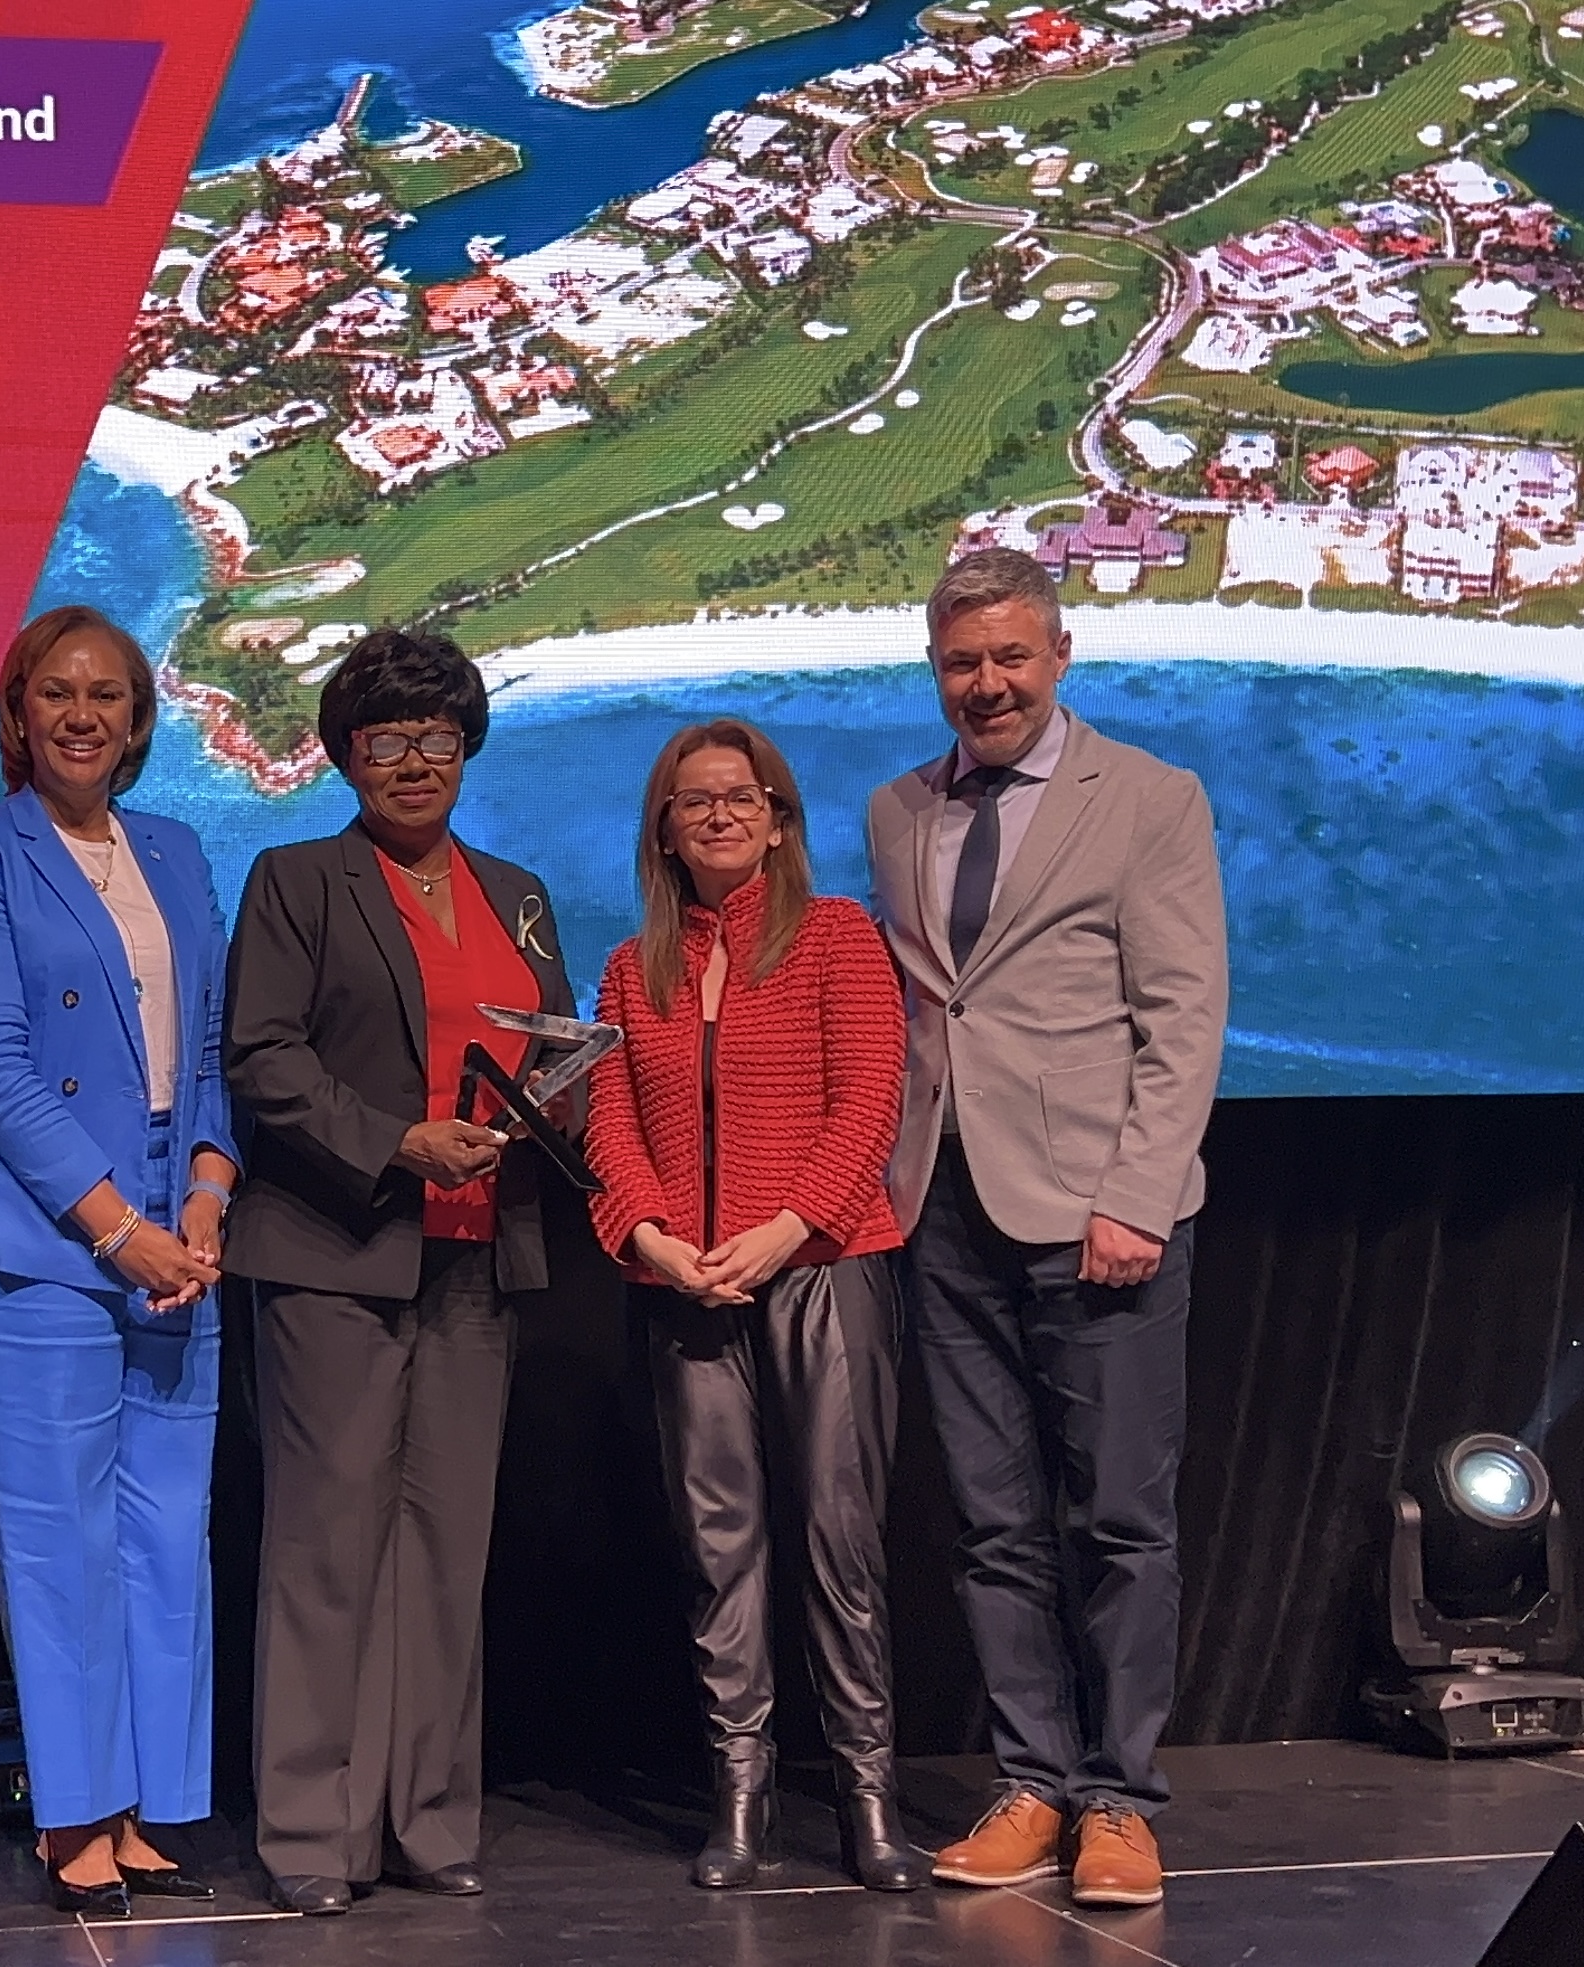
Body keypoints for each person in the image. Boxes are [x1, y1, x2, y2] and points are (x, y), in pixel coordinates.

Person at [864, 548, 1226, 1911]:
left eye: (1010, 657)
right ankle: (1032, 1782)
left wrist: (1135, 1193)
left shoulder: (1146, 798)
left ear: (1058, 656)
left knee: (1119, 1516)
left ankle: (1120, 1800)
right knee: (991, 1520)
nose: (987, 683)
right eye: (961, 662)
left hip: (1097, 1209)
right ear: (935, 671)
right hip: (942, 1208)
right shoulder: (899, 808)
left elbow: (1182, 1014)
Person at [221, 627, 579, 1916]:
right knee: (326, 1550)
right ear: (345, 755)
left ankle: (428, 1818)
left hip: (482, 1256)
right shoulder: (297, 878)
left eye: (437, 735)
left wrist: (564, 1101)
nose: (414, 760)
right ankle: (312, 1834)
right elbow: (260, 1055)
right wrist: (395, 1142)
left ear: (467, 747)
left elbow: (549, 1036)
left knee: (443, 1551)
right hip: (338, 1253)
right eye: (387, 738)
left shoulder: (519, 890)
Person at [0, 606, 240, 1917]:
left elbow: (206, 1053)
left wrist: (206, 1195)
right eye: (57, 692)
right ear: (17, 712)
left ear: (141, 719)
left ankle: (149, 1800)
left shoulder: (176, 847)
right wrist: (117, 1224)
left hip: (179, 1232)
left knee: (168, 1532)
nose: (82, 714)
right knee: (59, 1539)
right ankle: (76, 1810)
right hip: (50, 1239)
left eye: (107, 694)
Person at [585, 720, 924, 1894]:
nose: (720, 813)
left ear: (779, 817)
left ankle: (866, 1794)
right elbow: (610, 1126)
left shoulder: (839, 937)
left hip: (824, 1267)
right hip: (688, 1281)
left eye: (742, 795)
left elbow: (870, 1097)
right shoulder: (636, 969)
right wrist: (653, 1239)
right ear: (665, 832)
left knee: (841, 1540)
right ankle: (743, 1788)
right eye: (694, 801)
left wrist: (784, 1231)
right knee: (718, 1547)